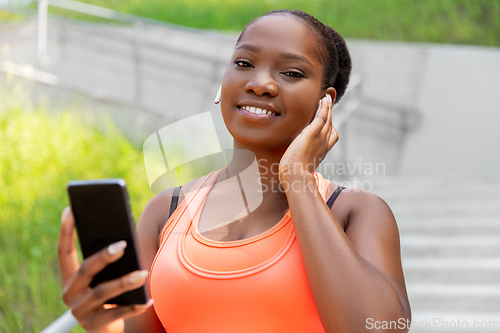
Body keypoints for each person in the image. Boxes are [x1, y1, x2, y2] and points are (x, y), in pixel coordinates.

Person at [58, 9, 411, 333]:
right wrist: (103, 324)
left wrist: (298, 179)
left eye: (291, 72)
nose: (260, 83)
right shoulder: (165, 213)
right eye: (244, 63)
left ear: (325, 103)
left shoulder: (354, 212)